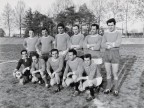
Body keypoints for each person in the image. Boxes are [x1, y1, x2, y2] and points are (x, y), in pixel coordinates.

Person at [101, 18, 122, 96]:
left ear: (114, 25)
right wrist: (110, 44)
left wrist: (109, 44)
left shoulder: (118, 33)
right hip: (107, 54)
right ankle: (108, 87)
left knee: (115, 73)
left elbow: (118, 43)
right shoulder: (105, 34)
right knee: (108, 73)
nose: (110, 27)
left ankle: (116, 89)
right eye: (109, 25)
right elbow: (102, 44)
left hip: (115, 55)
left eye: (112, 25)